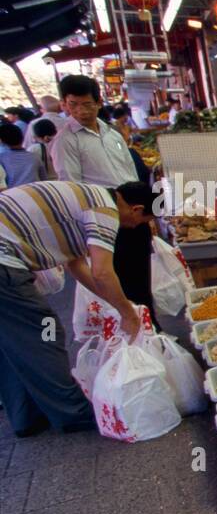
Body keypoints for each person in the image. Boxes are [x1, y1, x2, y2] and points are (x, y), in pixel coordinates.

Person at [0, 180, 158, 436]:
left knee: (12, 340)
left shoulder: (88, 197)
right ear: (136, 210)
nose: (135, 226)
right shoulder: (105, 211)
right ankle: (73, 414)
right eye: (142, 221)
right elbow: (103, 272)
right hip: (4, 262)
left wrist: (118, 304)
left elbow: (77, 266)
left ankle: (26, 416)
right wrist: (128, 314)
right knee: (42, 334)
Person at [52, 75, 155, 319]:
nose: (80, 111)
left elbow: (129, 171)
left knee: (142, 279)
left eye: (86, 104)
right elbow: (72, 188)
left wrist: (144, 213)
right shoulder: (65, 141)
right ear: (64, 104)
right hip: (105, 219)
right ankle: (133, 337)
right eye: (73, 104)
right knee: (122, 282)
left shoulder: (112, 134)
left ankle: (152, 330)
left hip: (133, 214)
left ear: (98, 102)